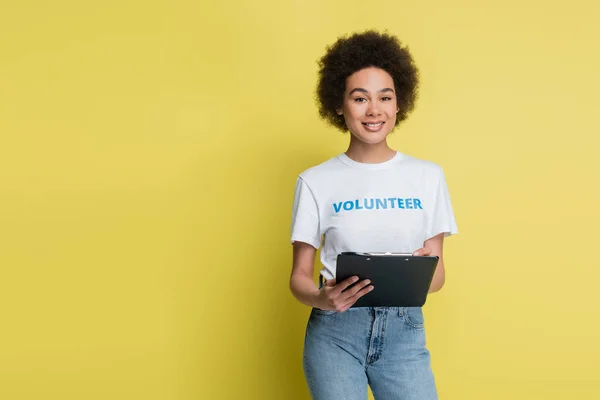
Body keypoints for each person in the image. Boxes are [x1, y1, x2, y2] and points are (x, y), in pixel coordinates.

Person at [289, 30, 458, 400]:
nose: (374, 110)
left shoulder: (428, 177)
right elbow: (299, 277)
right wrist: (322, 299)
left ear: (399, 104)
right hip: (335, 333)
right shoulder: (315, 181)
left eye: (385, 97)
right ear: (339, 104)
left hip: (404, 332)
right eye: (359, 98)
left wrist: (414, 275)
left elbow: (438, 275)